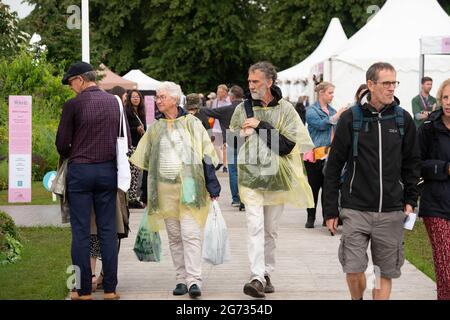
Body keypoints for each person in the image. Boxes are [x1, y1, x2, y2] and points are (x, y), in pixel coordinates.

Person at [323, 62, 421, 300]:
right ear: (371, 84)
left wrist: (410, 200)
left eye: (394, 83)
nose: (391, 88)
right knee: (354, 268)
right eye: (386, 83)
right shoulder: (351, 119)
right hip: (355, 209)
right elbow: (333, 167)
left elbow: (412, 163)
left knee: (382, 273)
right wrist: (330, 210)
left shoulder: (402, 120)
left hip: (391, 211)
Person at [230, 61, 314, 298]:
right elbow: (232, 143)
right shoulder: (243, 108)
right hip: (250, 178)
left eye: (255, 81)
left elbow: (288, 146)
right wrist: (240, 136)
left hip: (277, 177)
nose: (251, 85)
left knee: (270, 230)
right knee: (255, 226)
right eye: (249, 81)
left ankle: (267, 272)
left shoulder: (286, 109)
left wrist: (260, 126)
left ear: (269, 82)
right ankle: (256, 277)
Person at [130, 82, 221, 299]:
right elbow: (147, 161)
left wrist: (212, 184)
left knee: (190, 233)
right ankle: (180, 278)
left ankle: (194, 280)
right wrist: (146, 192)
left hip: (190, 187)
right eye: (157, 97)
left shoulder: (192, 123)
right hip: (165, 189)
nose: (158, 100)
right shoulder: (156, 128)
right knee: (174, 236)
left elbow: (206, 154)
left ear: (174, 98)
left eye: (161, 96)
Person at [56, 61, 127, 300]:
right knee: (107, 231)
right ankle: (110, 289)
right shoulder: (113, 102)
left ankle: (83, 290)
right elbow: (120, 138)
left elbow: (61, 144)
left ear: (80, 80)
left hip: (80, 173)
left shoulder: (73, 105)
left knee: (81, 232)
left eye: (71, 82)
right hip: (107, 171)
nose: (71, 87)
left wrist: (74, 149)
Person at [417, 78, 450, 300]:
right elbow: (416, 164)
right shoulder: (429, 128)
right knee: (445, 264)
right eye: (446, 97)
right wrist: (445, 168)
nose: (449, 102)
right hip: (436, 205)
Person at [304, 82, 347, 228]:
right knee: (313, 188)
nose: (332, 96)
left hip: (329, 155)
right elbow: (322, 125)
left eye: (333, 93)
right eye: (330, 93)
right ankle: (310, 217)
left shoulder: (333, 110)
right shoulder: (311, 111)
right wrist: (338, 115)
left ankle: (325, 218)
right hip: (315, 156)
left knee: (327, 187)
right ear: (321, 93)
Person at [200, 85, 245, 207]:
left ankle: (236, 199)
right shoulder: (248, 108)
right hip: (246, 141)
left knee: (233, 171)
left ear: (231, 96)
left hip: (231, 139)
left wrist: (196, 107)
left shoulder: (227, 109)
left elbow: (208, 111)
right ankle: (246, 197)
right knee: (246, 170)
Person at [125, 89, 147, 208]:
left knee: (137, 173)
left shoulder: (141, 112)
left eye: (137, 97)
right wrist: (136, 129)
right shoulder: (127, 112)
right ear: (129, 99)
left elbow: (145, 128)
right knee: (132, 172)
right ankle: (131, 199)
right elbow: (125, 128)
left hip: (139, 146)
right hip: (131, 145)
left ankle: (133, 197)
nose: (135, 99)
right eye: (133, 97)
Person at [212, 84, 231, 172]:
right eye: (217, 91)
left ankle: (225, 165)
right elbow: (212, 112)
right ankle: (220, 161)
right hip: (216, 126)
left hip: (226, 126)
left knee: (224, 146)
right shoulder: (215, 101)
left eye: (220, 92)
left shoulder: (229, 101)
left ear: (225, 92)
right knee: (215, 145)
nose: (218, 93)